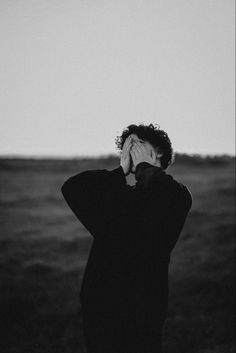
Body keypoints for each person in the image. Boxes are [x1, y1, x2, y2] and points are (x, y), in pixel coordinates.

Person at [61, 123, 192, 353]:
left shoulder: (176, 194)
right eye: (127, 146)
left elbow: (157, 199)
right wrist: (121, 170)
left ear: (159, 152)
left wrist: (143, 166)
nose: (130, 149)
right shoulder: (117, 195)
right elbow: (73, 187)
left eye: (137, 144)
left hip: (142, 310)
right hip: (100, 309)